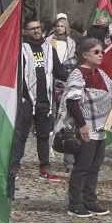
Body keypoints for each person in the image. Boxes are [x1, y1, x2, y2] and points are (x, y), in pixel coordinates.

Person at [55, 37, 112, 217]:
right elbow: (72, 101)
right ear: (85, 54)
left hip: (101, 128)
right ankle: (75, 203)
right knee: (82, 167)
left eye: (102, 51)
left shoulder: (100, 74)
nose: (101, 55)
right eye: (96, 52)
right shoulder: (78, 74)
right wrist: (82, 125)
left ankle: (90, 200)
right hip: (86, 127)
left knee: (95, 166)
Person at [9, 18, 68, 187]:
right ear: (26, 31)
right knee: (20, 135)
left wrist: (77, 74)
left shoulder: (49, 49)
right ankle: (14, 167)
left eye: (38, 28)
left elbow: (59, 71)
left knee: (43, 135)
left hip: (45, 99)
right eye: (32, 28)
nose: (36, 31)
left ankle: (45, 168)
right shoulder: (21, 49)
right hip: (26, 99)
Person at [47, 16, 77, 172]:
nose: (59, 28)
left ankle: (69, 160)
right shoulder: (49, 42)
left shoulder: (71, 43)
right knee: (53, 119)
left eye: (62, 26)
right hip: (53, 84)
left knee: (68, 121)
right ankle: (47, 156)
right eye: (57, 26)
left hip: (67, 84)